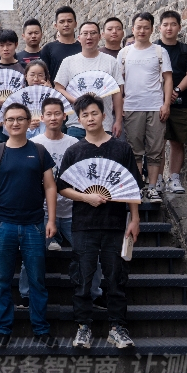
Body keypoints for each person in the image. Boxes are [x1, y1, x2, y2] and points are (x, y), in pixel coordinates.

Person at [57, 94, 142, 350]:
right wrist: (86, 197)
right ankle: (83, 326)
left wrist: (135, 219)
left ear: (104, 116)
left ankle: (118, 327)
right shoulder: (74, 151)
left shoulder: (121, 149)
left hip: (115, 223)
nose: (90, 118)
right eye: (84, 115)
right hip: (83, 224)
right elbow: (62, 187)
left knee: (116, 276)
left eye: (94, 113)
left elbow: (132, 187)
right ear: (79, 120)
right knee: (83, 276)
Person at [0, 103, 58, 348]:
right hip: (3, 224)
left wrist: (51, 220)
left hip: (34, 225)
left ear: (28, 122)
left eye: (20, 119)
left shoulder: (39, 150)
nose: (15, 123)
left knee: (37, 281)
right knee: (2, 281)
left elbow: (50, 186)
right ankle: (3, 330)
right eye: (10, 119)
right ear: (4, 123)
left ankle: (41, 328)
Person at [18, 98, 102, 305]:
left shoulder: (75, 144)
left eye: (57, 113)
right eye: (49, 114)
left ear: (65, 116)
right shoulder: (34, 144)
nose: (53, 118)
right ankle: (26, 295)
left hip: (73, 209)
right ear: (42, 117)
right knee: (31, 255)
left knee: (90, 254)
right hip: (41, 210)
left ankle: (95, 294)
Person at [118, 12, 173, 203]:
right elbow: (119, 81)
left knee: (155, 149)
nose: (142, 31)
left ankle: (152, 187)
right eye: (138, 27)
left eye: (146, 27)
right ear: (132, 29)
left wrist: (166, 104)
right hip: (132, 106)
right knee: (135, 149)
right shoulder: (124, 53)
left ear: (152, 29)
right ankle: (138, 187)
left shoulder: (159, 51)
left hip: (155, 106)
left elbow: (168, 79)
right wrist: (121, 103)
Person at [53, 21, 125, 141]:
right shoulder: (68, 62)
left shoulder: (110, 61)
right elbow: (58, 88)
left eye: (93, 33)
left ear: (100, 36)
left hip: (104, 124)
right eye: (85, 33)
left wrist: (118, 120)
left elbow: (117, 92)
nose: (89, 37)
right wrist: (76, 101)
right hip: (76, 124)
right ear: (79, 38)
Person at [156, 11, 187, 194]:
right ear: (159, 27)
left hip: (181, 102)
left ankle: (174, 178)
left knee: (177, 141)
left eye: (173, 24)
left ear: (179, 27)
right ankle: (157, 179)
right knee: (157, 143)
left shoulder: (185, 51)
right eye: (165, 24)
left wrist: (176, 91)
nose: (169, 28)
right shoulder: (154, 49)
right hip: (156, 103)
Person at [39, 6, 82, 79]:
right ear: (56, 26)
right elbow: (43, 75)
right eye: (62, 22)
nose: (66, 24)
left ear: (75, 24)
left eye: (69, 21)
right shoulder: (48, 49)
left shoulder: (83, 47)